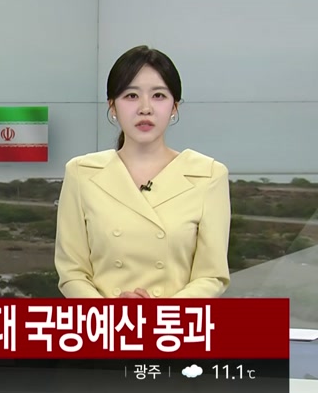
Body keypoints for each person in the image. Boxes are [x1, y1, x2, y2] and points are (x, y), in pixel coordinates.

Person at [54, 45, 230, 299]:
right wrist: (112, 313)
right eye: (131, 96)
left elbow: (212, 275)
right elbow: (72, 272)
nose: (145, 108)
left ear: (174, 107)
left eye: (158, 95)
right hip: (103, 322)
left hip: (174, 321)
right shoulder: (82, 173)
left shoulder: (208, 174)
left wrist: (159, 314)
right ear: (112, 106)